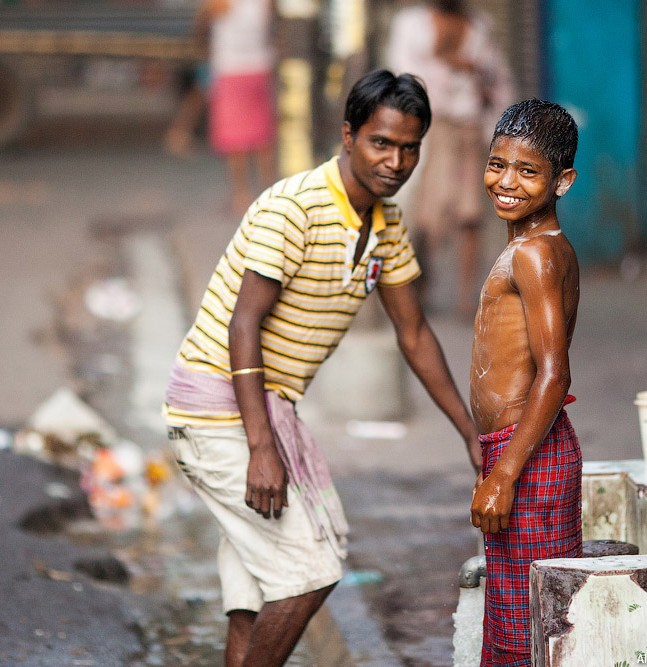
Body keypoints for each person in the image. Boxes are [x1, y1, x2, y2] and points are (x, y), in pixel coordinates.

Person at [163, 70, 481, 667]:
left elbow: (414, 333)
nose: (396, 161)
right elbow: (243, 324)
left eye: (410, 147)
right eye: (380, 143)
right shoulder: (296, 206)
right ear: (348, 135)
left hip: (266, 410)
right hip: (216, 411)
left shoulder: (386, 224)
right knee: (310, 574)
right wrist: (261, 447)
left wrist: (469, 434)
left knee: (256, 596)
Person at [469, 99, 581, 667]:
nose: (506, 182)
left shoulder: (536, 254)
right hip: (516, 451)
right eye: (497, 164)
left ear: (563, 181)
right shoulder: (527, 245)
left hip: (528, 458)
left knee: (528, 633)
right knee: (517, 618)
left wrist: (505, 473)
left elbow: (554, 372)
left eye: (527, 171)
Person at [386, 0, 514, 318]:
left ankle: (465, 296)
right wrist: (452, 64)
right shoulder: (412, 25)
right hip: (434, 131)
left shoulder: (480, 28)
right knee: (432, 214)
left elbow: (499, 82)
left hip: (471, 132)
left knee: (470, 215)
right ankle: (420, 282)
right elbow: (404, 76)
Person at [201, 0, 278, 214]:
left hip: (231, 68)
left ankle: (241, 195)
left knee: (235, 140)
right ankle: (269, 192)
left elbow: (201, 24)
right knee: (262, 137)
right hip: (260, 67)